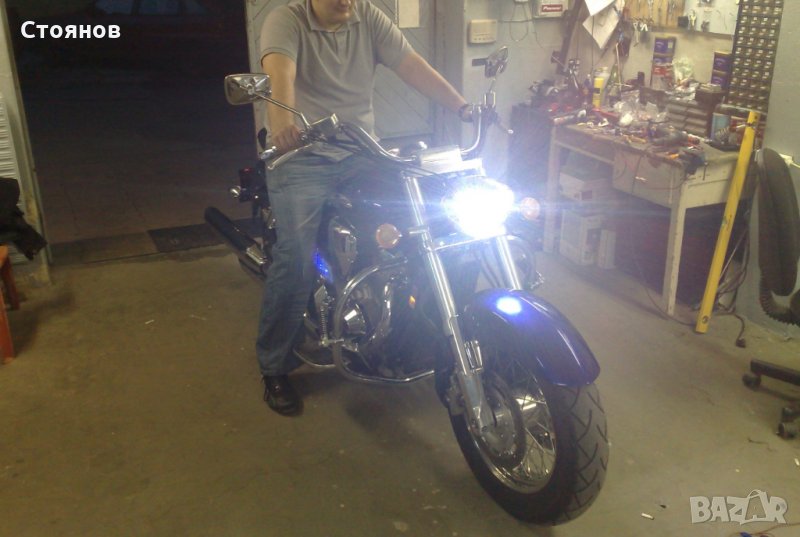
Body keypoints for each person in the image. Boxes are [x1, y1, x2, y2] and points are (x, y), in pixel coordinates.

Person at [257, 0, 471, 416]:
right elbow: (279, 75)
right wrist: (283, 121)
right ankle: (275, 364)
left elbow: (412, 66)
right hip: (301, 155)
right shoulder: (286, 20)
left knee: (423, 227)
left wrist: (463, 106)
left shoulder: (368, 17)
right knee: (296, 259)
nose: (347, 1)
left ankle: (404, 333)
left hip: (362, 152)